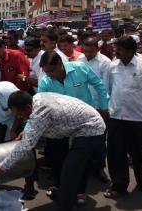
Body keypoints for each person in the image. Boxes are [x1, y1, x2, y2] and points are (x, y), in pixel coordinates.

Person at [0, 91, 106, 211]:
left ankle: (65, 206)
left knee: (70, 170)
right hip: (75, 127)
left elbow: (25, 146)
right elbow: (33, 123)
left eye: (19, 114)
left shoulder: (41, 113)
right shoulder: (36, 99)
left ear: (28, 107)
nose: (18, 117)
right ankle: (67, 193)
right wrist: (28, 130)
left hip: (91, 128)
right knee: (64, 162)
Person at [38, 50, 109, 204]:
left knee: (80, 160)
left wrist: (104, 106)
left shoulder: (80, 69)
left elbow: (99, 85)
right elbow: (39, 105)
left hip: (83, 125)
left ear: (59, 64)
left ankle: (80, 191)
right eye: (46, 72)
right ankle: (58, 186)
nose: (49, 75)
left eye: (51, 71)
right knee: (57, 158)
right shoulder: (46, 82)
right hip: (59, 126)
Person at [105, 35, 142, 198]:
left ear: (130, 50)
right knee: (116, 154)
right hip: (116, 118)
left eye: (120, 50)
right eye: (117, 49)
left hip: (138, 119)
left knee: (139, 154)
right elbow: (108, 89)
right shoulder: (113, 66)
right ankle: (119, 185)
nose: (117, 52)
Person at [78, 36, 112, 183]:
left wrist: (103, 108)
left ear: (97, 49)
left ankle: (99, 167)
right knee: (82, 138)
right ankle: (85, 165)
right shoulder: (80, 60)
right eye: (85, 51)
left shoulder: (105, 63)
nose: (87, 54)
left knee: (99, 140)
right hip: (83, 105)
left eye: (90, 52)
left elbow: (105, 87)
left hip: (99, 107)